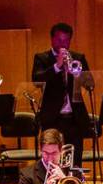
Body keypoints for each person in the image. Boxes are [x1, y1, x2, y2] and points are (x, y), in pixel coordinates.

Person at [32, 22, 91, 166]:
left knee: (75, 161)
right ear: (52, 39)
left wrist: (77, 75)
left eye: (66, 40)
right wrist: (57, 66)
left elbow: (90, 84)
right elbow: (36, 80)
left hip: (74, 118)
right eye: (59, 40)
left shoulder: (78, 58)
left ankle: (74, 180)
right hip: (52, 118)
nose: (62, 44)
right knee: (53, 160)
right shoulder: (42, 58)